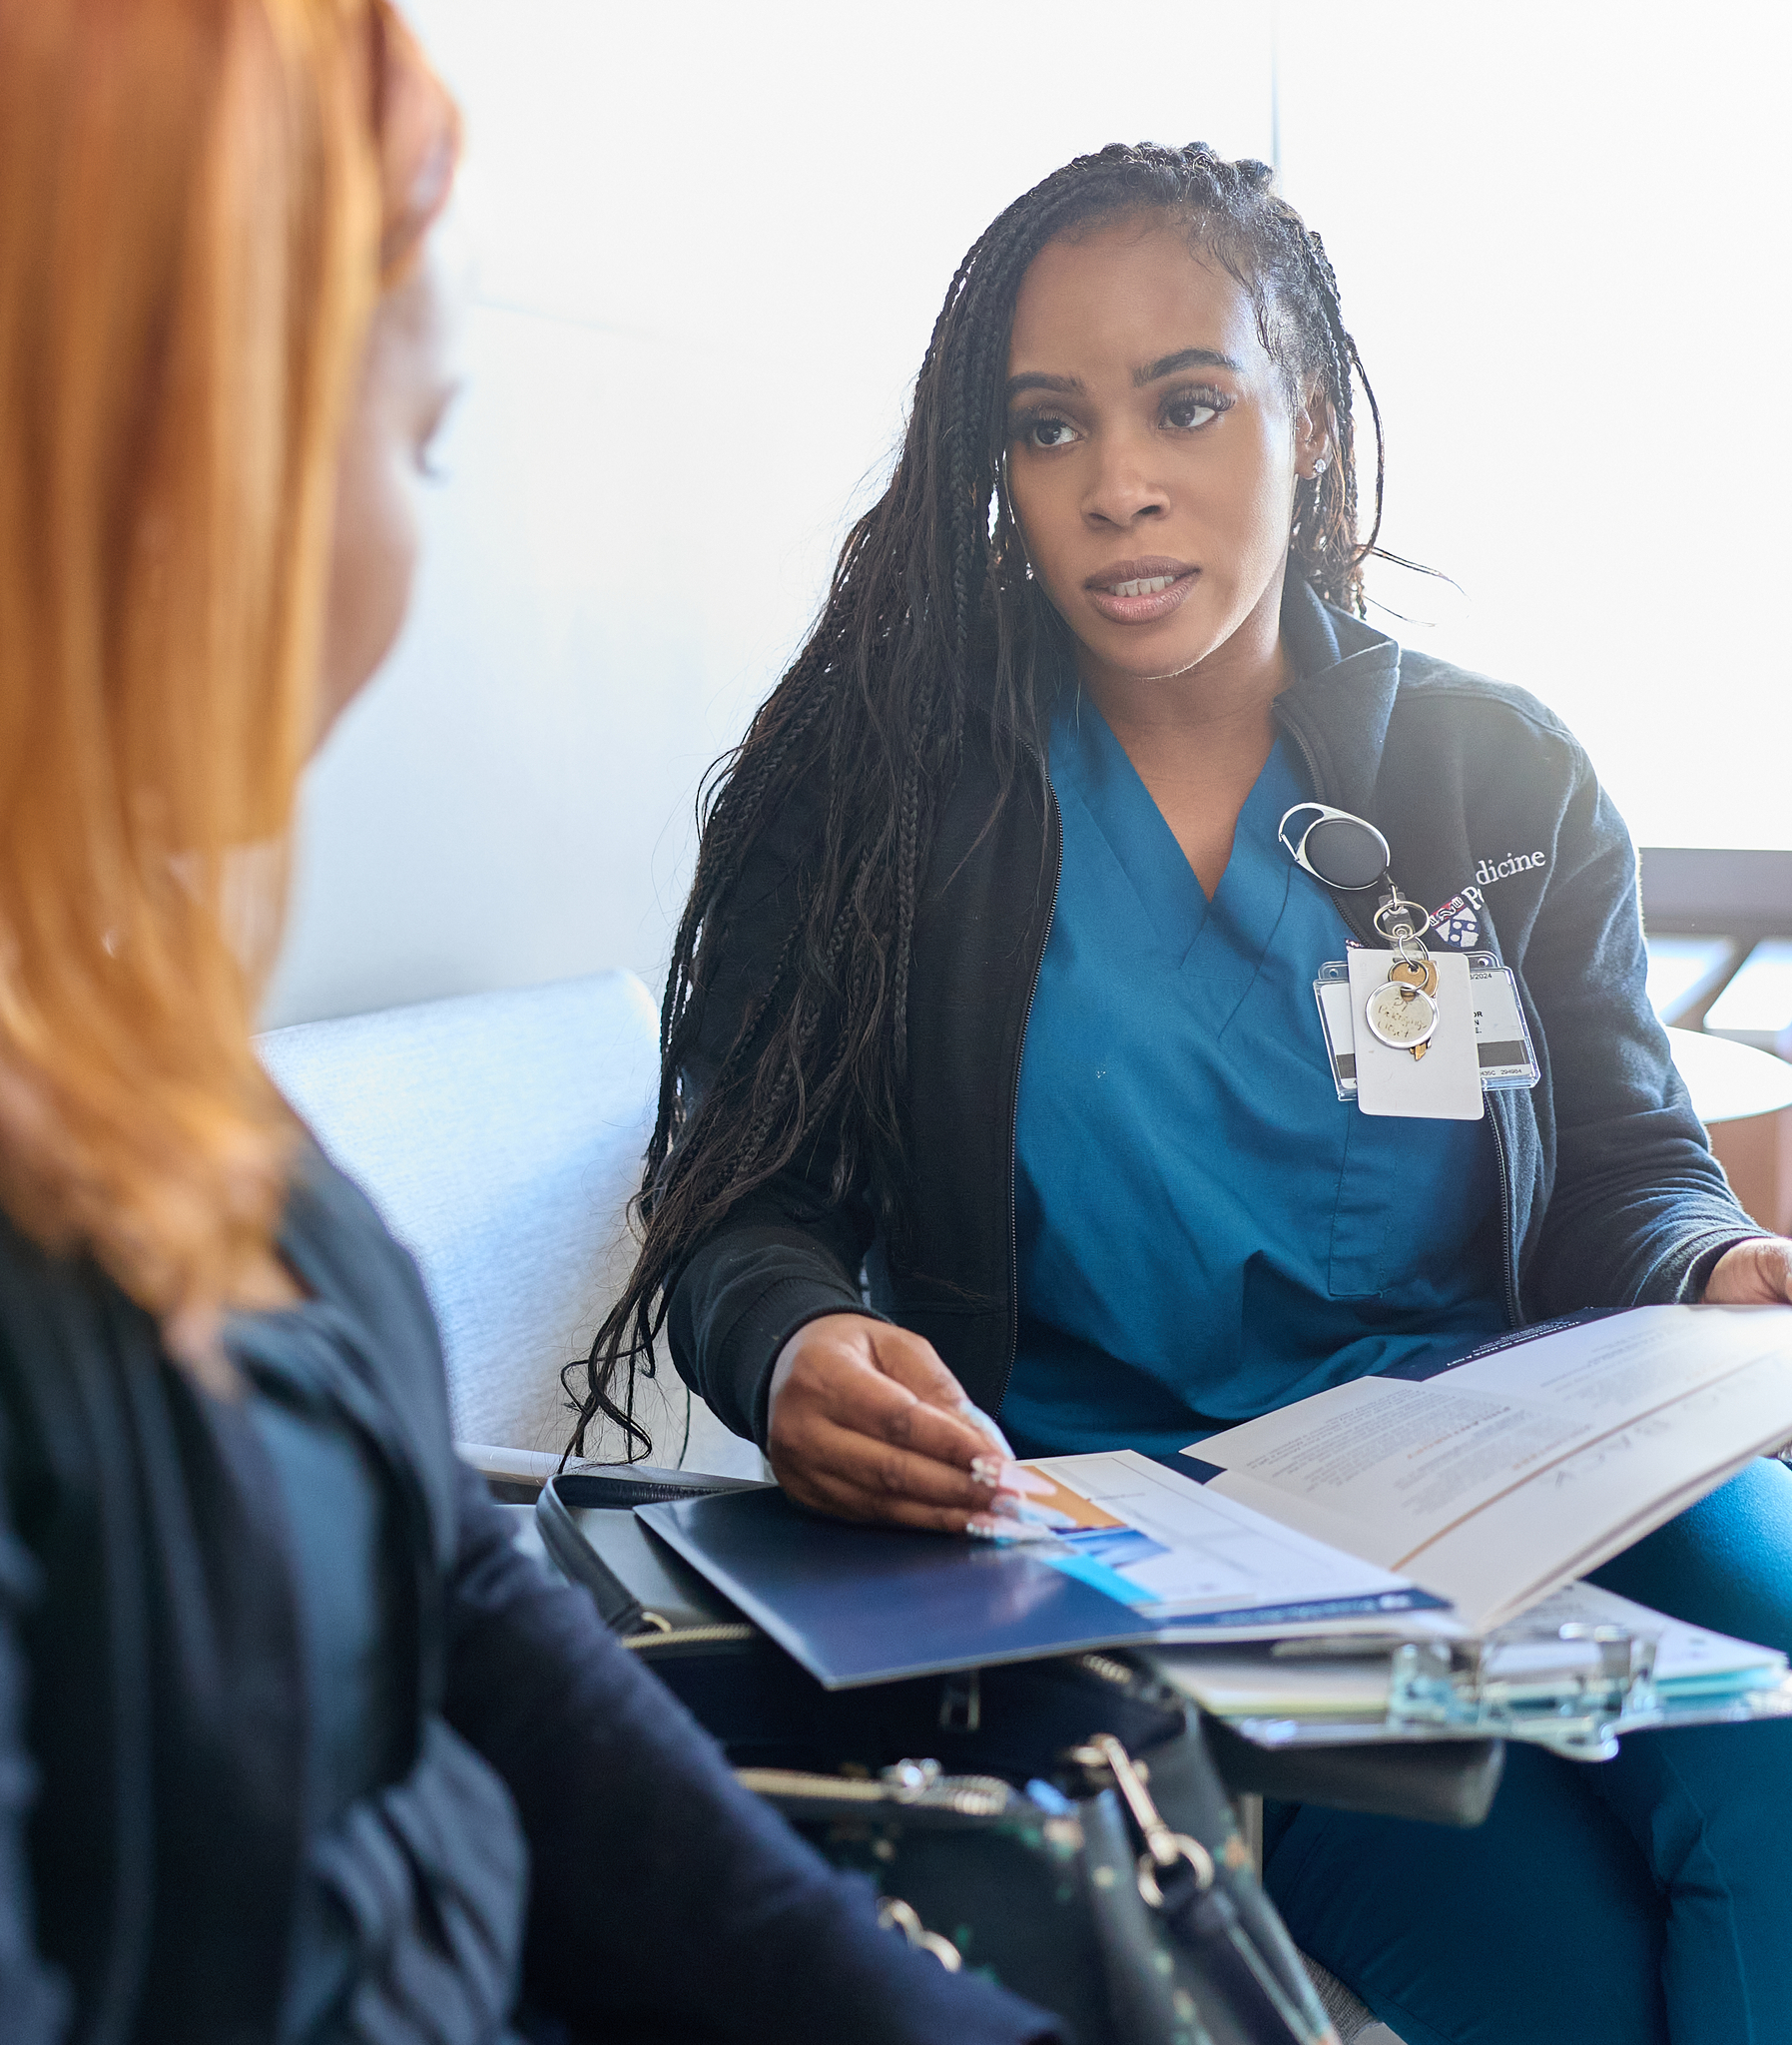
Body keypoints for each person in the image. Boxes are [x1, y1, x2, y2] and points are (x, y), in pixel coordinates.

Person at [0, 5, 1070, 2042]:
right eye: (417, 441)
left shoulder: (80, 1009)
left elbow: (455, 1600)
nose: (401, 560)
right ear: (166, 447)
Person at [575, 141, 1792, 2045]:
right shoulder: (887, 789)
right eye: (1048, 427)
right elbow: (747, 1191)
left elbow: (1625, 1167)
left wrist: (1721, 1269)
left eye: (1188, 404)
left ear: (1305, 419)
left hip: (1529, 1474)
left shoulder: (1494, 773)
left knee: (1783, 1764)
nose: (1118, 483)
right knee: (1550, 1982)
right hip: (1156, 1547)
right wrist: (793, 1341)